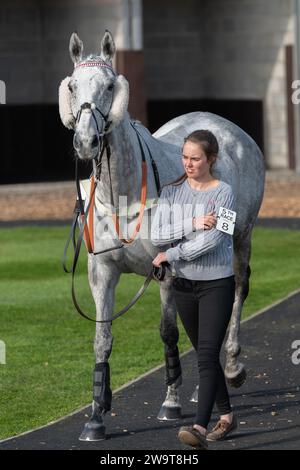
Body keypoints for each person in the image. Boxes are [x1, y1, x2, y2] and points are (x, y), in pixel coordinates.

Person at [151, 129, 237, 450]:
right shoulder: (171, 192)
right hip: (183, 286)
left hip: (217, 283)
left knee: (205, 355)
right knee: (206, 355)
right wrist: (193, 221)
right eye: (185, 157)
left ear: (211, 159)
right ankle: (227, 417)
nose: (188, 163)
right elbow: (158, 233)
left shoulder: (226, 192)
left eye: (195, 158)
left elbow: (217, 239)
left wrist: (171, 254)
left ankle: (199, 427)